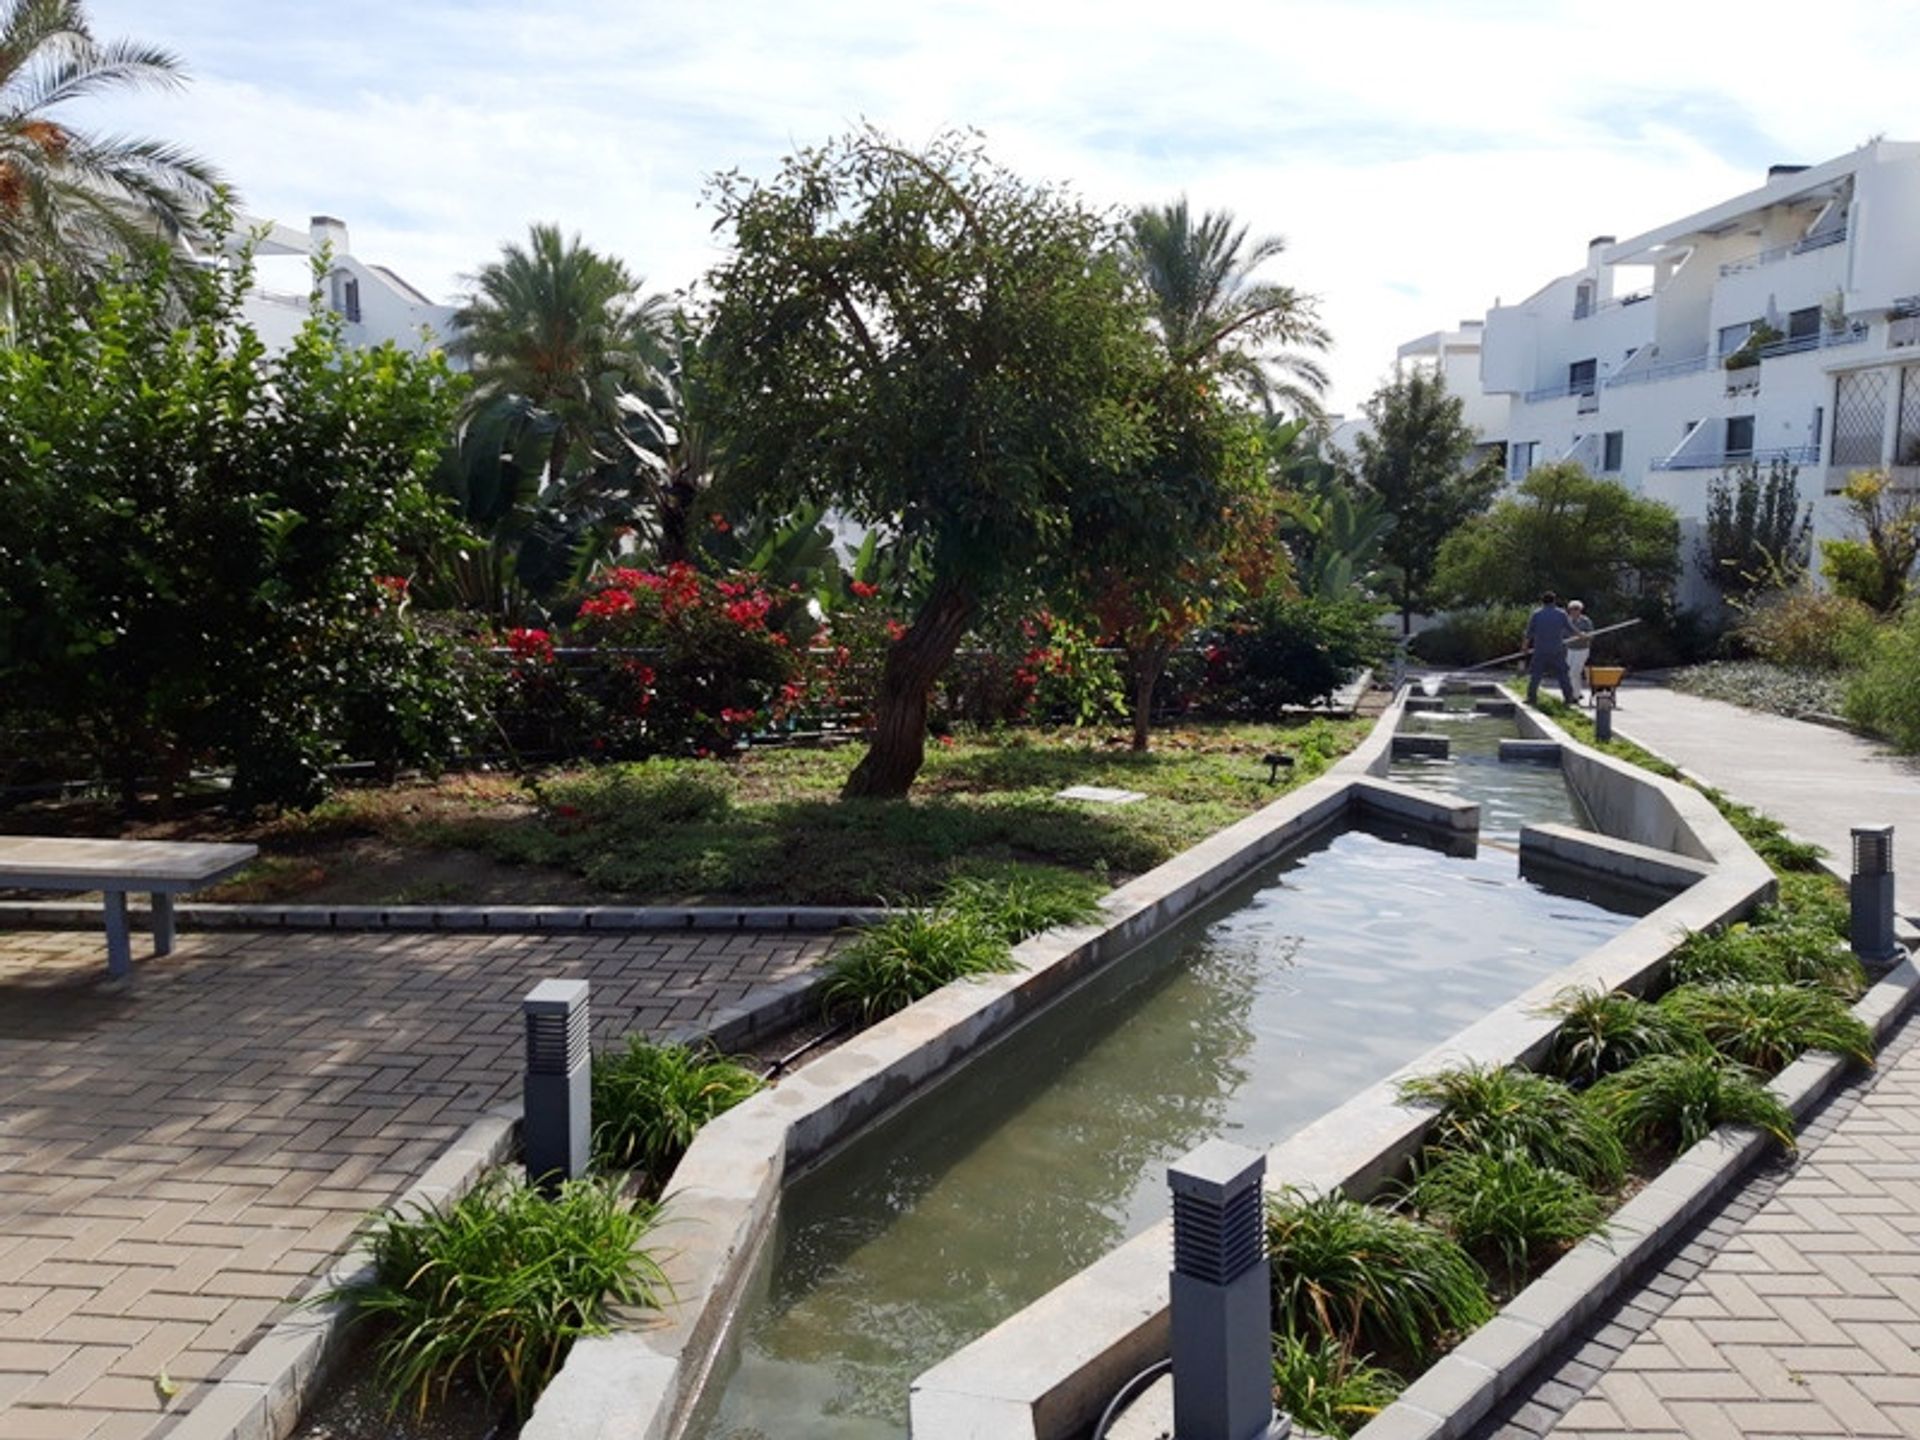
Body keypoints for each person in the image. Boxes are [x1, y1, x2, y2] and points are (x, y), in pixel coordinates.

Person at [1522, 590, 1578, 705]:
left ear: (1542, 602)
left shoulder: (1537, 614)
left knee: (1536, 675)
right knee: (1563, 675)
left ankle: (1531, 698)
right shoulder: (1561, 614)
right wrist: (1582, 635)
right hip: (1556, 650)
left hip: (1540, 650)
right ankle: (1569, 698)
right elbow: (1570, 628)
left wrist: (1525, 647)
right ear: (1554, 601)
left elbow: (1529, 633)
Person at [1566, 600, 1595, 703]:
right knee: (1572, 673)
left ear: (1580, 610)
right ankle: (1577, 693)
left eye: (1577, 609)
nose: (1574, 611)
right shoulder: (1567, 621)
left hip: (1582, 650)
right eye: (1572, 609)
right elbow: (1563, 635)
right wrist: (1573, 636)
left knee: (1574, 672)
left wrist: (1584, 635)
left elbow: (1591, 636)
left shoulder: (1586, 621)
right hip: (1570, 649)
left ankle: (1574, 696)